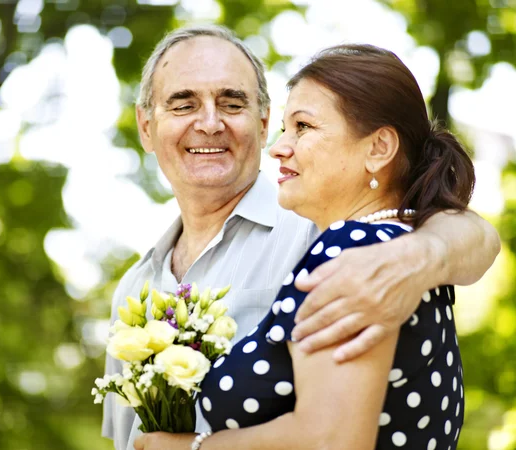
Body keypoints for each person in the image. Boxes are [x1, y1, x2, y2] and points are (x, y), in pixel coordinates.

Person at [103, 25, 500, 450]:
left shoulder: (327, 228)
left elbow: (475, 235)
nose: (210, 122)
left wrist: (418, 255)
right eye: (183, 104)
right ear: (146, 127)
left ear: (260, 121)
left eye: (231, 102)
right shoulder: (133, 291)